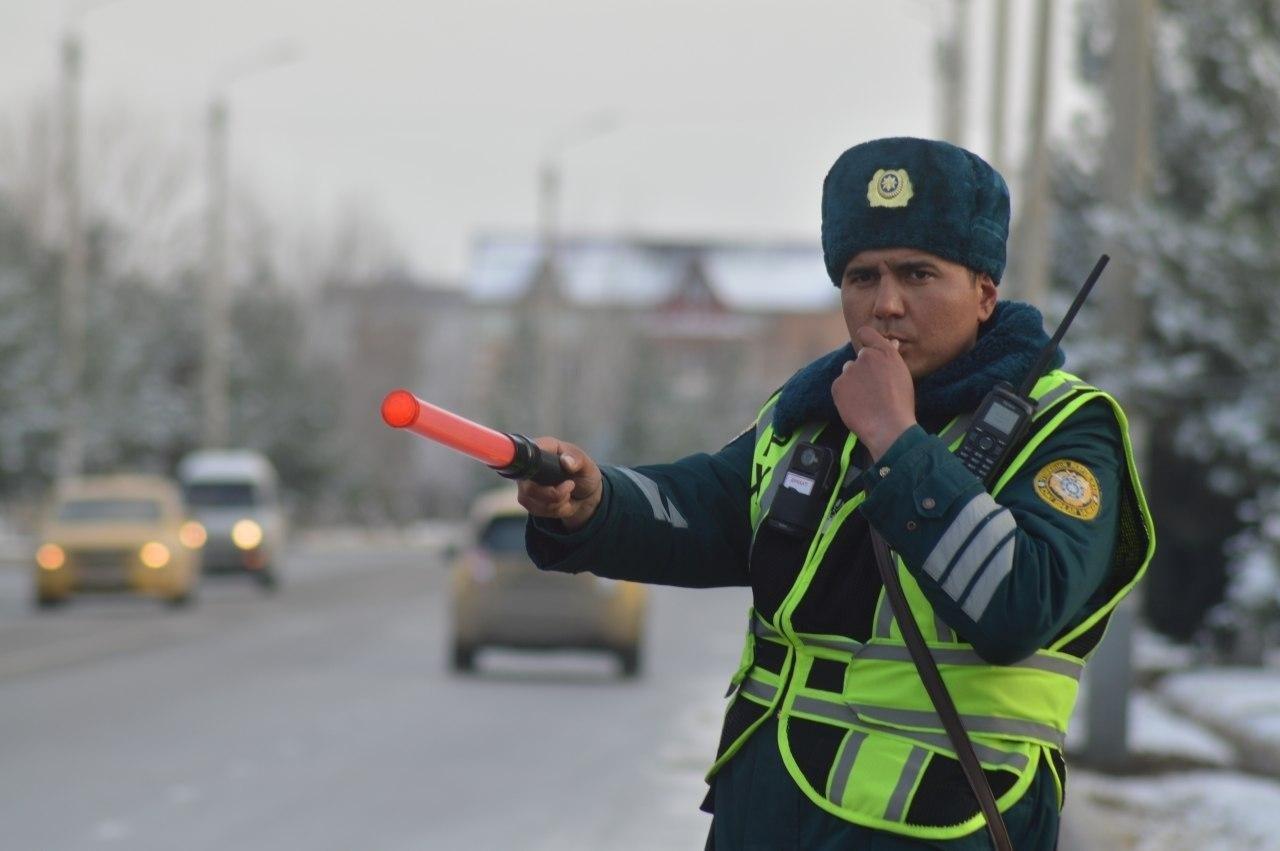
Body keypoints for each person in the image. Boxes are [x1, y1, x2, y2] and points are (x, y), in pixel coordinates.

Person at [516, 136, 1155, 850]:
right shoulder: (814, 410)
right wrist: (593, 499)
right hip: (764, 812)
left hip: (938, 824)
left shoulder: (1064, 428)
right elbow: (714, 504)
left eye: (918, 274)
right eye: (860, 277)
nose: (885, 304)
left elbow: (1021, 603)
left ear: (984, 292)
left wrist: (896, 437)